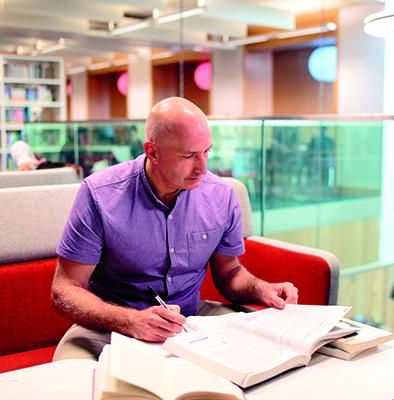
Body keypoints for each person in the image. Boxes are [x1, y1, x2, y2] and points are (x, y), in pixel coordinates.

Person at [52, 97, 298, 361]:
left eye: (207, 152)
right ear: (153, 151)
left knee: (274, 350)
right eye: (189, 155)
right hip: (113, 325)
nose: (203, 168)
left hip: (193, 319)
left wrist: (261, 289)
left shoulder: (222, 196)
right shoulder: (99, 194)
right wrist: (130, 321)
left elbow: (230, 273)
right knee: (71, 376)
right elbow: (65, 289)